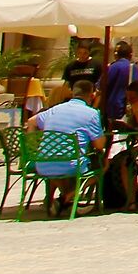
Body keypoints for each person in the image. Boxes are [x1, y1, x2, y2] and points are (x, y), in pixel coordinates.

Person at [30, 79, 107, 218]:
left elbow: (31, 121)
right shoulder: (91, 113)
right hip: (71, 165)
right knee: (105, 164)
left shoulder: (54, 110)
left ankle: (66, 201)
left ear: (73, 93)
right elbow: (100, 145)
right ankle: (67, 198)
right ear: (92, 95)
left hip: (43, 164)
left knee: (60, 165)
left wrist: (32, 149)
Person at [100, 39, 138, 132]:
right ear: (130, 55)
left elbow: (101, 86)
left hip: (111, 110)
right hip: (128, 110)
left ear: (116, 54)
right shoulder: (133, 68)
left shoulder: (111, 67)